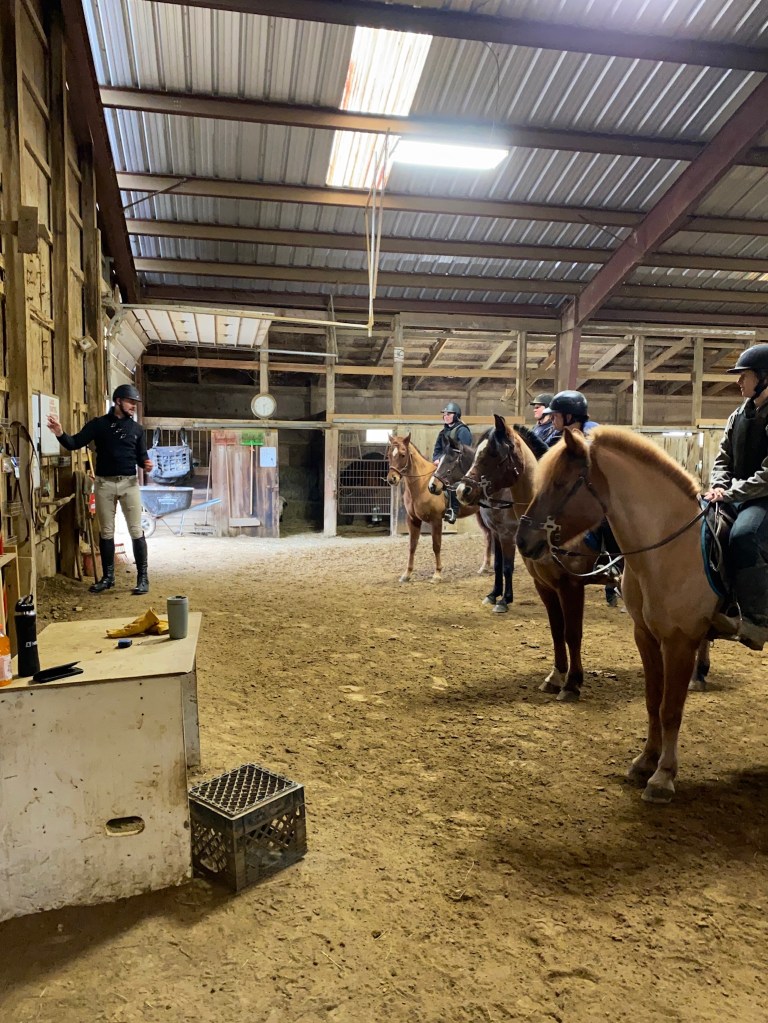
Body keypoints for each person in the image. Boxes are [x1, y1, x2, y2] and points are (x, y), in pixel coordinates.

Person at [47, 384, 153, 595]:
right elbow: (74, 443)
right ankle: (108, 577)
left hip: (129, 483)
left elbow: (142, 458)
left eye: (135, 403)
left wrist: (146, 464)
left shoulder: (137, 430)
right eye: (130, 401)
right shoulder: (98, 425)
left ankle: (143, 578)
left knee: (135, 530)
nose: (133, 406)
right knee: (106, 531)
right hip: (104, 483)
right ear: (118, 401)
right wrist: (60, 433)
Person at [703, 343, 768, 651]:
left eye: (745, 375)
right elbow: (722, 459)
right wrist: (718, 487)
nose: (739, 382)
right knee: (704, 528)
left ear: (764, 378)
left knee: (744, 535)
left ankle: (757, 619)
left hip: (764, 497)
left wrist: (730, 492)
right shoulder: (737, 415)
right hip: (736, 493)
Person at [544, 390, 619, 606]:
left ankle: (613, 562)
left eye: (556, 415)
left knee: (604, 521)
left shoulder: (591, 434)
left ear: (569, 416)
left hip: (603, 494)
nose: (552, 419)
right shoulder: (556, 435)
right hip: (579, 495)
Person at [432, 401, 472, 524]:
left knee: (453, 483)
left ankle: (453, 510)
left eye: (449, 414)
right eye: (444, 414)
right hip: (445, 463)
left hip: (459, 465)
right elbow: (437, 450)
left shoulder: (463, 431)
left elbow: (465, 451)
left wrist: (449, 461)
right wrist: (437, 459)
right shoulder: (442, 432)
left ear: (456, 415)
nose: (446, 416)